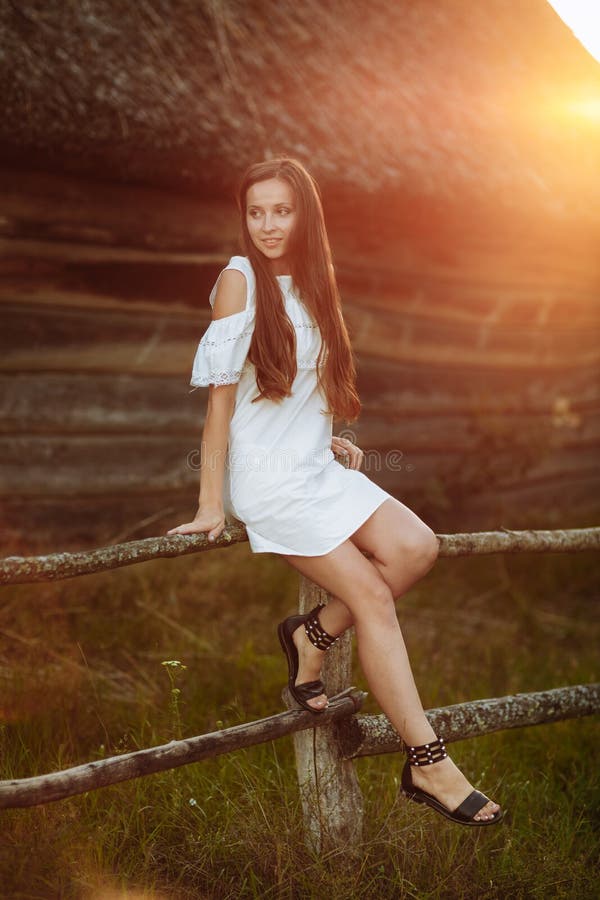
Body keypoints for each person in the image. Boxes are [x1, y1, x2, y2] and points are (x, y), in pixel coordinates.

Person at [167, 157, 503, 827]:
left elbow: (296, 386)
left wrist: (322, 439)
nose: (266, 225)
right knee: (373, 594)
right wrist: (211, 504)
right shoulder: (238, 281)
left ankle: (311, 635)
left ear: (305, 216)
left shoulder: (318, 281)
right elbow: (222, 406)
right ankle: (428, 762)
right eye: (255, 212)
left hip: (313, 467)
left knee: (415, 547)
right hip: (269, 481)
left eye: (280, 211)